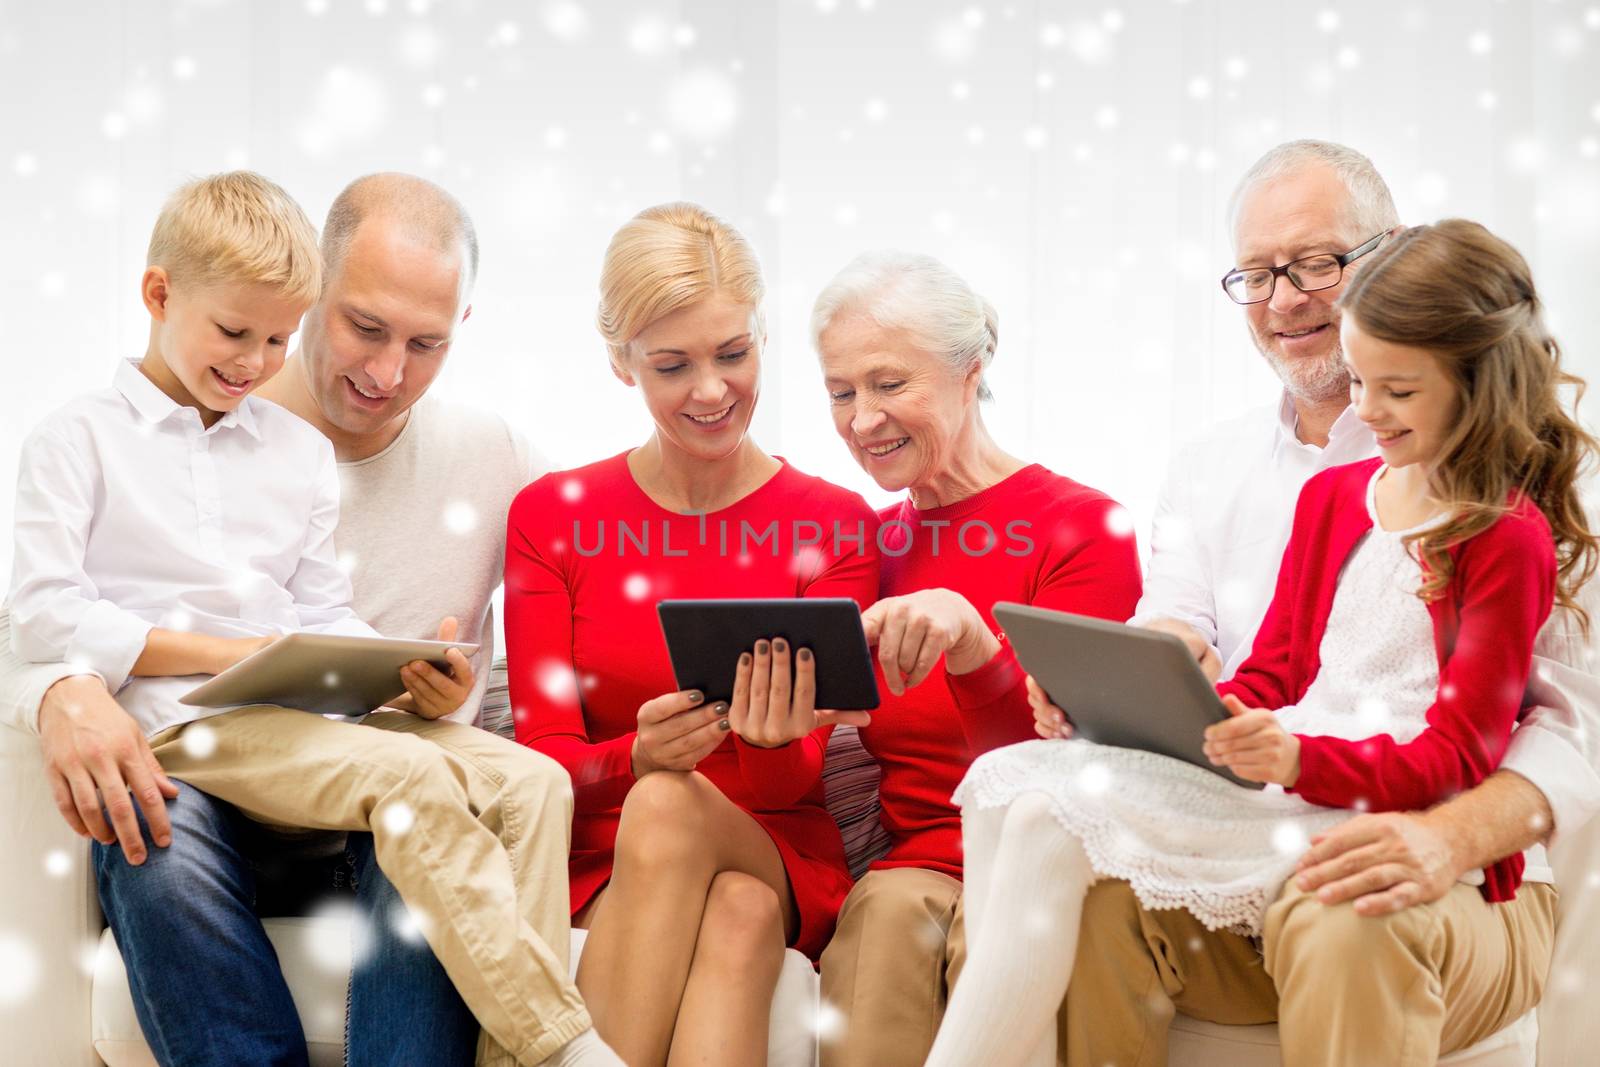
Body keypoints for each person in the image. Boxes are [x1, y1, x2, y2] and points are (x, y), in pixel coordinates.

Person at [930, 216, 1596, 1067]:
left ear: (1477, 381)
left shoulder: (1508, 533)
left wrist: (1292, 758)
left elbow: (1470, 752)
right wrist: (1149, 711)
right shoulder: (1333, 498)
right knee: (1032, 797)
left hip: (1386, 801)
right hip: (1298, 782)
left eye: (1397, 389)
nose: (1365, 410)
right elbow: (1274, 672)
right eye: (1359, 382)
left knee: (1068, 820)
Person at [3, 172, 615, 1067]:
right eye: (235, 333)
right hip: (186, 727)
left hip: (292, 721)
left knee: (531, 784)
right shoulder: (78, 439)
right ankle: (564, 1046)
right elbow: (40, 612)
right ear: (158, 294)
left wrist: (411, 670)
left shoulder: (293, 450)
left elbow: (323, 609)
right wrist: (212, 653)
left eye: (274, 339)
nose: (255, 360)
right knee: (412, 783)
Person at [505, 202, 880, 1067]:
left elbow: (794, 784)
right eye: (672, 365)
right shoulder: (554, 517)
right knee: (734, 909)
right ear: (619, 361)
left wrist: (769, 738)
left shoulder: (834, 524)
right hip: (608, 861)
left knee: (679, 810)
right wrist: (631, 759)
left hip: (776, 838)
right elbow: (542, 762)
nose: (712, 391)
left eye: (734, 354)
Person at [806, 250, 1142, 1067]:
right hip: (914, 862)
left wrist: (975, 644)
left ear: (970, 371)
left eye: (889, 384)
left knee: (997, 931)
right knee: (885, 913)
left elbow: (1058, 770)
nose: (862, 419)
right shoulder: (864, 545)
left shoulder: (1082, 529)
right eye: (841, 392)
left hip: (1044, 860)